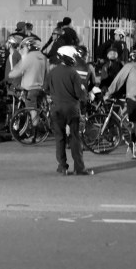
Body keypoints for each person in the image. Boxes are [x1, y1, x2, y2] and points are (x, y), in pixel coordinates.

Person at [44, 45, 92, 175]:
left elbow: (46, 89)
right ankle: (79, 168)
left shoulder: (52, 72)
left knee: (60, 138)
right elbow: (80, 95)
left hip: (56, 108)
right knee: (75, 138)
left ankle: (62, 166)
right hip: (72, 109)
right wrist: (85, 96)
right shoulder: (73, 73)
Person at [8, 37, 48, 109]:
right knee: (38, 108)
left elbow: (19, 70)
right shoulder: (43, 57)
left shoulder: (29, 57)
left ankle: (34, 120)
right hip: (40, 87)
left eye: (24, 47)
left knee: (32, 110)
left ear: (29, 47)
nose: (23, 49)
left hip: (30, 88)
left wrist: (10, 74)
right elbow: (47, 72)